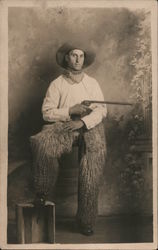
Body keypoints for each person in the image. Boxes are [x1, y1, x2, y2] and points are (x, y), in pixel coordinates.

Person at [30, 43, 107, 236]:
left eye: (81, 56)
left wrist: (82, 121)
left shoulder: (92, 83)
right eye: (74, 55)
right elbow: (46, 113)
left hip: (89, 127)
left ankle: (86, 220)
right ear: (67, 58)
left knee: (94, 161)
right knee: (41, 143)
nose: (78, 59)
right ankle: (42, 191)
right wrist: (69, 112)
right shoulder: (57, 83)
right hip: (64, 126)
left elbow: (102, 110)